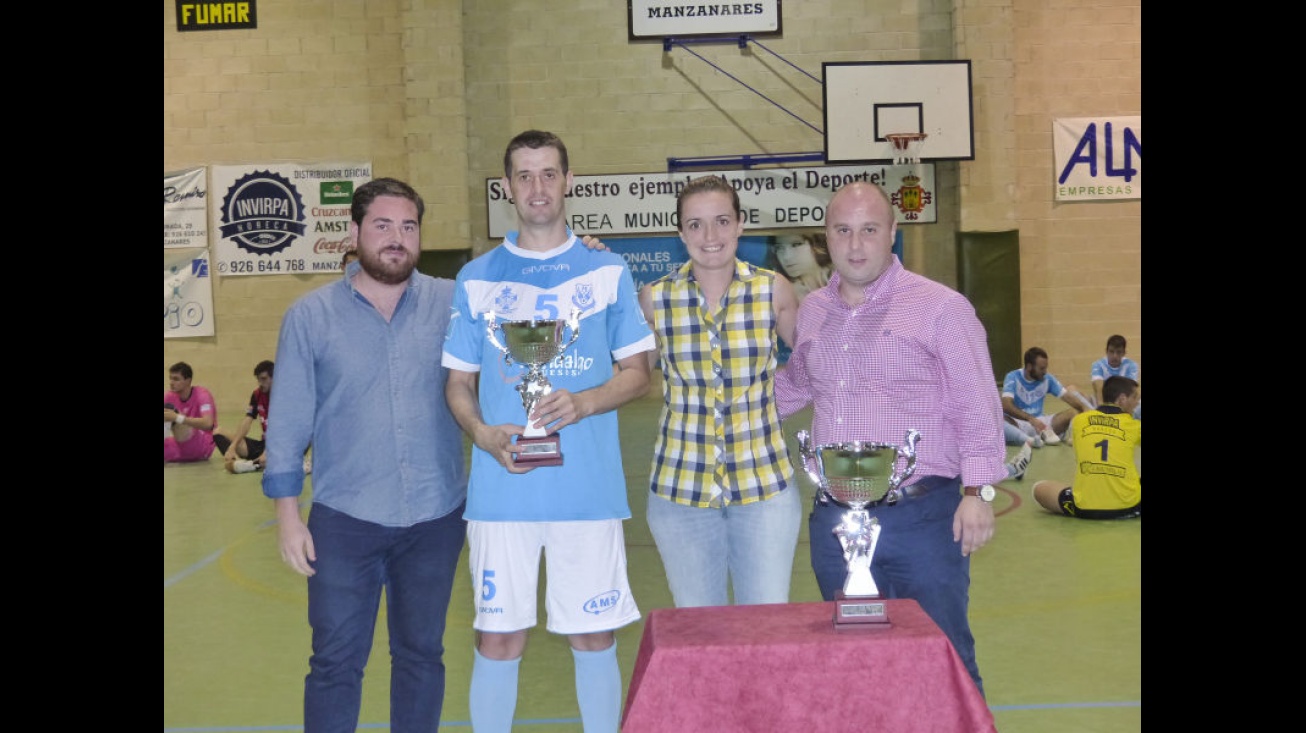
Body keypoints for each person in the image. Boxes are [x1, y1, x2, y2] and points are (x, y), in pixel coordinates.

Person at [442, 129, 654, 733]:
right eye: (525, 176)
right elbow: (457, 383)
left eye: (549, 174)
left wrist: (584, 402)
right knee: (498, 637)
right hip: (501, 492)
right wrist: (482, 434)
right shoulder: (476, 277)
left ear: (568, 181)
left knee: (592, 634)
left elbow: (637, 374)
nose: (538, 188)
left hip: (585, 492)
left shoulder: (607, 269)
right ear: (507, 186)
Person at [774, 181, 1006, 695]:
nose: (855, 246)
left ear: (893, 233)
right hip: (837, 522)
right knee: (855, 666)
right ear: (826, 239)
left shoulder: (940, 308)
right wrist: (715, 404)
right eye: (843, 231)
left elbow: (977, 401)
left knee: (943, 659)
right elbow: (794, 387)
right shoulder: (813, 311)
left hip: (924, 520)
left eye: (869, 230)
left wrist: (977, 493)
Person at [262, 177, 468, 733]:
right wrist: (287, 516)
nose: (396, 238)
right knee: (334, 664)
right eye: (383, 225)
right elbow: (286, 423)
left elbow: (526, 300)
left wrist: (578, 250)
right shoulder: (310, 316)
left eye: (408, 227)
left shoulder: (454, 302)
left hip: (435, 516)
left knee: (422, 655)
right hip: (345, 520)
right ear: (354, 233)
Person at [637, 174, 802, 608]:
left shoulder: (773, 290)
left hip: (764, 490)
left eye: (722, 221)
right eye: (695, 224)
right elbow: (628, 378)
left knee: (765, 628)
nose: (710, 236)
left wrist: (770, 406)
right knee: (697, 632)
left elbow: (812, 369)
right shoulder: (655, 300)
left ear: (741, 224)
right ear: (680, 233)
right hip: (681, 492)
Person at [1032, 376, 1141, 519]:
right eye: (1135, 398)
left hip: (1085, 508)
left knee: (1039, 488)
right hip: (1129, 507)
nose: (1137, 403)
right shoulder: (1134, 426)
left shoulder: (1079, 421)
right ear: (1122, 399)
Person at [1001, 346, 1093, 447]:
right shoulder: (1013, 377)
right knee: (999, 420)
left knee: (1074, 412)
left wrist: (1085, 408)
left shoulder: (1047, 379)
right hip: (1018, 423)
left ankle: (1071, 439)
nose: (1045, 371)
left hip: (1041, 424)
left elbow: (1067, 397)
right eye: (1041, 368)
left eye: (1045, 368)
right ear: (1029, 367)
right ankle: (1027, 440)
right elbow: (1006, 405)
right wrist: (1030, 419)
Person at [212, 359, 273, 474]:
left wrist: (267, 451)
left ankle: (251, 465)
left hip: (278, 445)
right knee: (218, 432)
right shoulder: (257, 394)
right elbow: (247, 421)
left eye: (264, 379)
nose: (260, 383)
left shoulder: (283, 397)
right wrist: (233, 446)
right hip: (263, 444)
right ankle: (242, 462)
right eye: (258, 379)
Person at [164, 361, 217, 463]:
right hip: (179, 443)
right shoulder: (169, 396)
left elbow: (208, 424)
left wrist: (177, 417)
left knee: (169, 409)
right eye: (170, 378)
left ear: (188, 381)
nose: (171, 382)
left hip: (202, 443)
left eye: (176, 379)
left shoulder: (202, 394)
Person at [766, 231, 832, 302]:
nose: (787, 257)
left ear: (817, 244)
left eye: (796, 245)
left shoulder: (840, 277)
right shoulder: (783, 294)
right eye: (779, 248)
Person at [1090, 334, 1141, 419]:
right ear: (1106, 351)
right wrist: (1102, 412)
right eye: (1111, 351)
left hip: (1124, 403)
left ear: (1124, 353)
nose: (1115, 356)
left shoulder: (1131, 365)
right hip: (1103, 402)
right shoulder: (1097, 365)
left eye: (1118, 352)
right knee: (1073, 390)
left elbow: (1131, 391)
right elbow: (1099, 390)